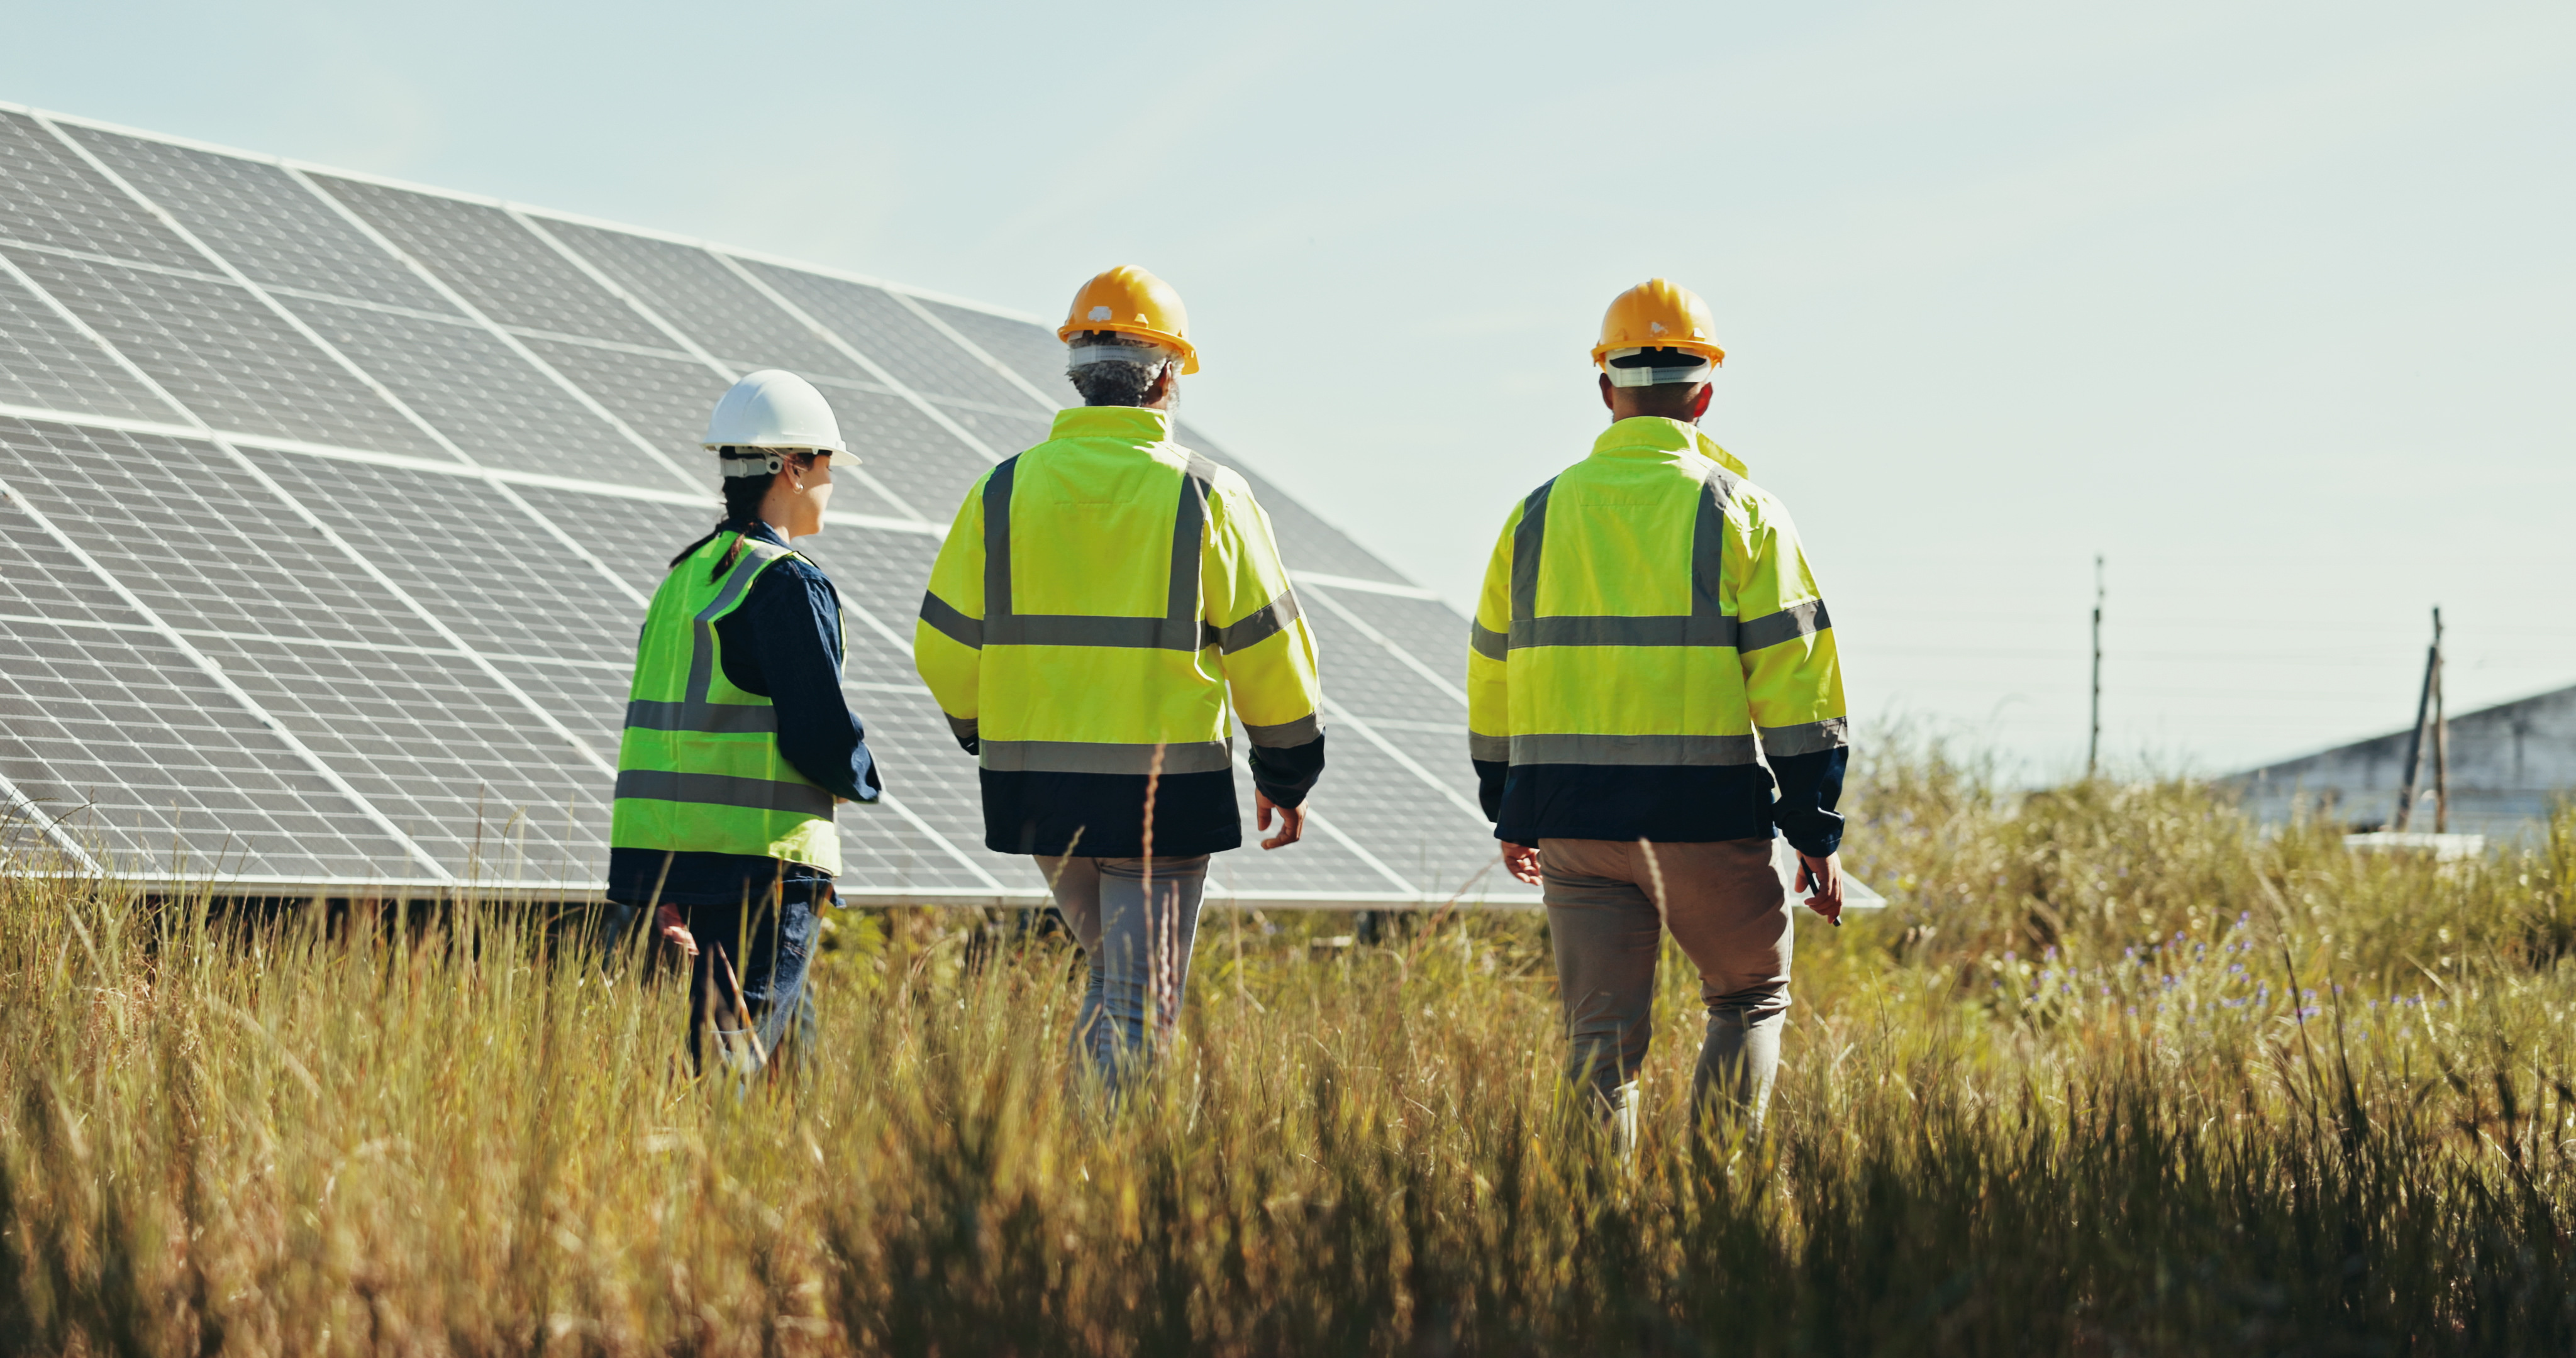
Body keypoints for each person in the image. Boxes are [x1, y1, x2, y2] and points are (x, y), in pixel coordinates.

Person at [914, 265, 1325, 1093]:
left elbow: (943, 645)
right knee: (1139, 1005)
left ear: (1076, 369)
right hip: (1161, 796)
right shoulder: (1210, 494)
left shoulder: (1003, 491)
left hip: (1037, 790)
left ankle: (1072, 1165)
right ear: (1169, 377)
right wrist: (1287, 770)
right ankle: (1109, 1177)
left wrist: (982, 733)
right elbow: (1267, 649)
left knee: (1116, 981)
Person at [1467, 279, 1848, 1144]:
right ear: (1706, 392)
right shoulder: (1744, 512)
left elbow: (1494, 673)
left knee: (1598, 1043)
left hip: (1569, 816)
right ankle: (1718, 1214)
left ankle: (1598, 1241)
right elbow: (1799, 684)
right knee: (1749, 996)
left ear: (1605, 386)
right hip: (1702, 815)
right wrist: (1813, 828)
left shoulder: (1534, 516)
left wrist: (1509, 806)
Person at [607, 368, 881, 1076]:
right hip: (764, 860)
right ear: (790, 467)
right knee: (731, 1058)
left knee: (783, 1059)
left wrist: (653, 879)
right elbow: (821, 735)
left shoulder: (683, 580)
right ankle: (702, 1184)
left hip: (676, 861)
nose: (830, 482)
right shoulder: (784, 581)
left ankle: (794, 1184)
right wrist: (863, 779)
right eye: (826, 465)